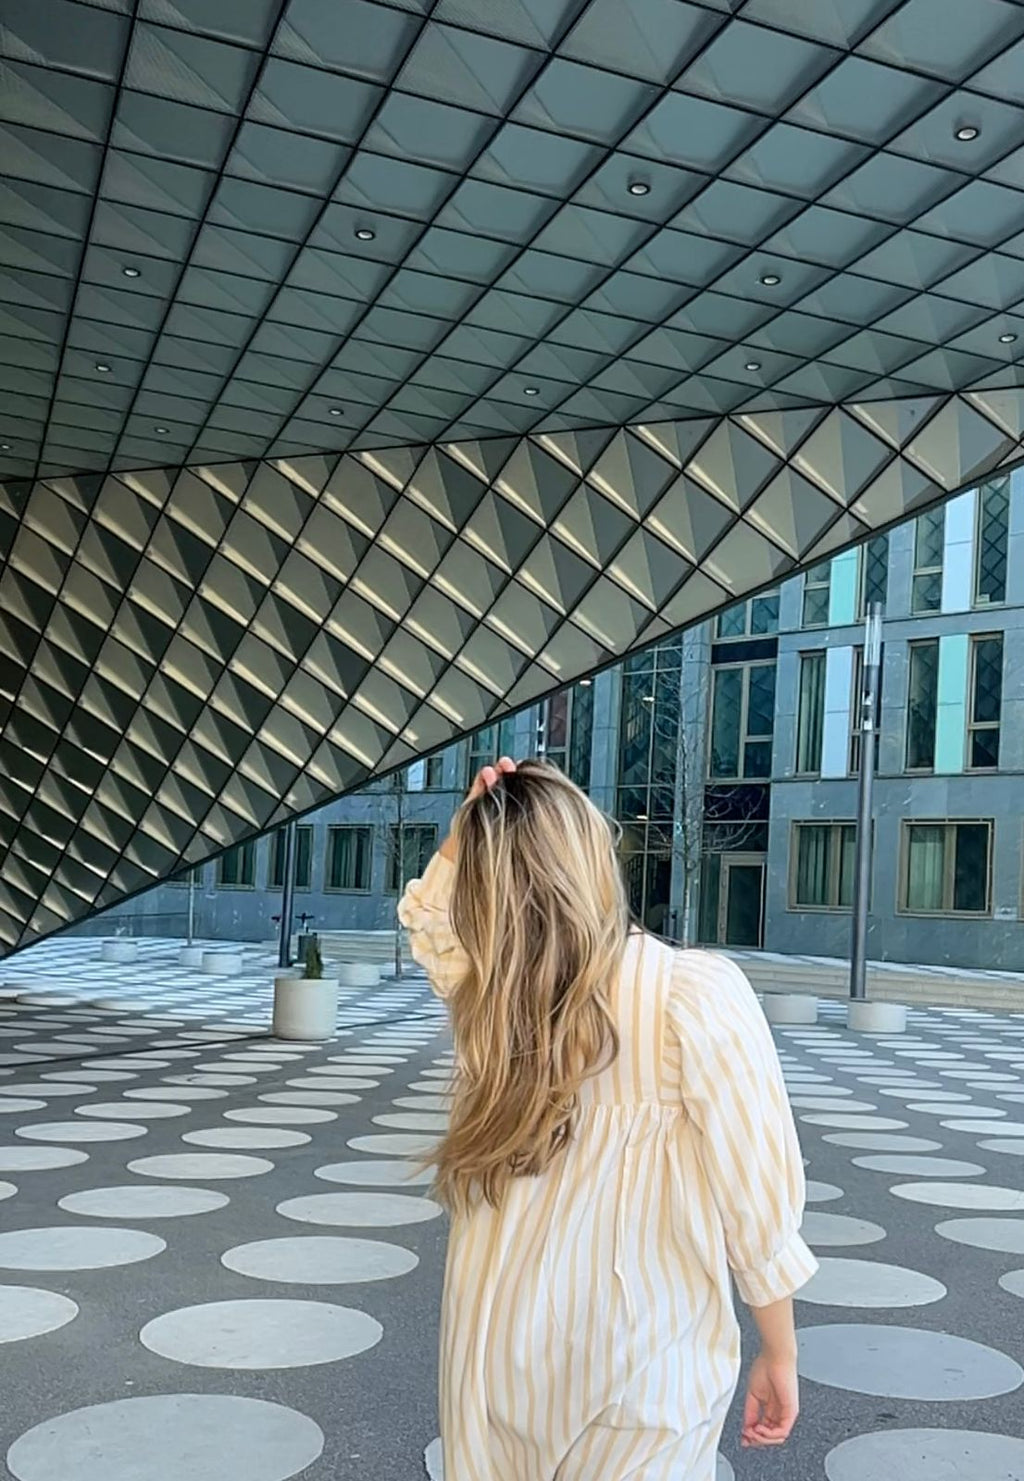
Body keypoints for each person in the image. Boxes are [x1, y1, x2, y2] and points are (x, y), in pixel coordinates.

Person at [399, 757, 816, 1481]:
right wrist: (779, 1349)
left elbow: (426, 920)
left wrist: (474, 825)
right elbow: (758, 1194)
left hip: (495, 1359)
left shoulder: (492, 1000)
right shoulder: (690, 993)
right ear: (593, 859)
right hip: (642, 1364)